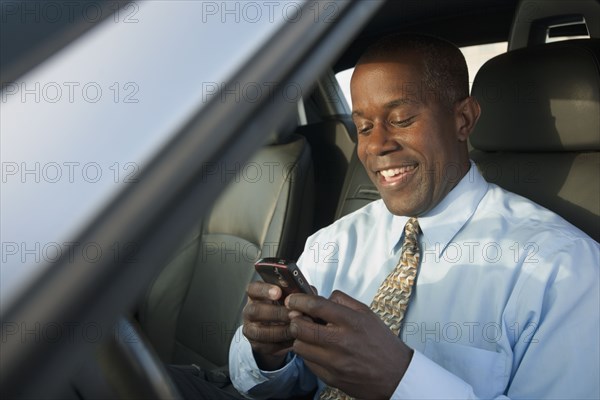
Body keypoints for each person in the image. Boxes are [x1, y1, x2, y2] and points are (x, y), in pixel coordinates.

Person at [228, 34, 600, 399]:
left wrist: (400, 381)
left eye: (402, 119)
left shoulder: (563, 268)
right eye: (363, 127)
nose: (376, 145)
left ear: (464, 119)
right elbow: (271, 385)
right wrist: (267, 355)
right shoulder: (334, 243)